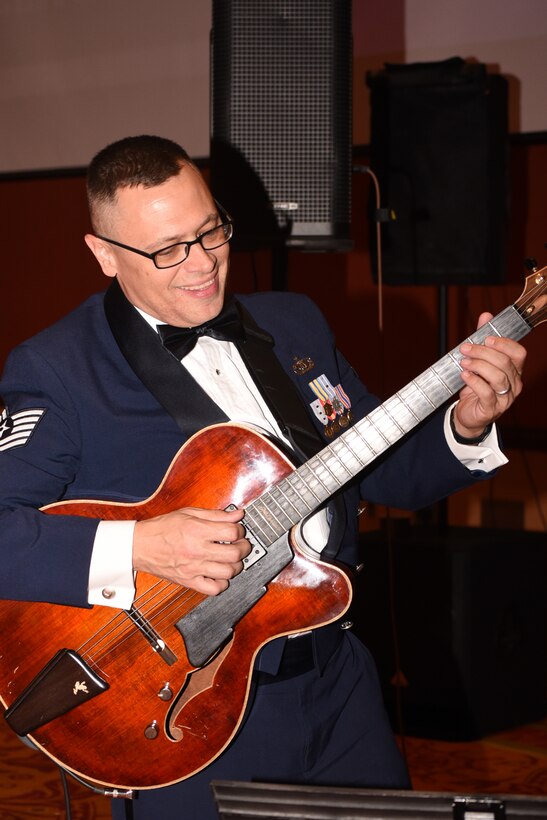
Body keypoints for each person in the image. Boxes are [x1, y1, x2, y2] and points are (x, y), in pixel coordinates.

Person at [0, 135, 526, 820]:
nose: (201, 266)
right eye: (166, 250)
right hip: (182, 711)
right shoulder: (58, 370)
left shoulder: (292, 323)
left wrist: (467, 421)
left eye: (210, 232)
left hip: (337, 686)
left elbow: (381, 472)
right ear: (103, 253)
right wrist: (141, 546)